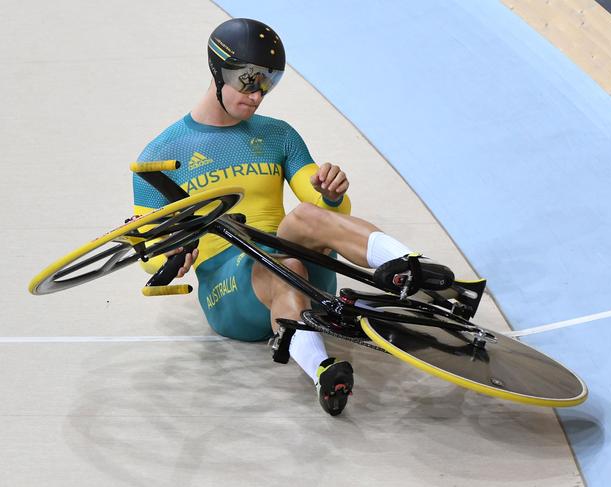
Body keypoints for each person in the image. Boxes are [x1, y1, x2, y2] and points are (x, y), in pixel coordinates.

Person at [133, 18, 452, 416]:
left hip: (292, 259)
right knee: (285, 263)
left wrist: (331, 193)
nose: (258, 94)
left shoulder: (278, 135)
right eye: (249, 80)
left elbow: (324, 206)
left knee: (302, 217)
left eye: (269, 82)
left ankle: (407, 266)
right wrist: (174, 253)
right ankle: (322, 371)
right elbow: (151, 247)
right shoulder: (159, 157)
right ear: (218, 70)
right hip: (231, 293)